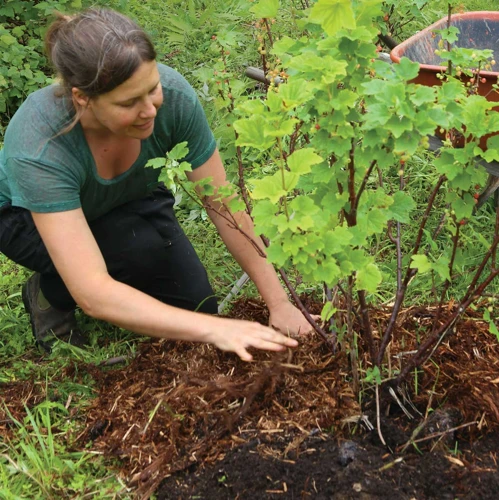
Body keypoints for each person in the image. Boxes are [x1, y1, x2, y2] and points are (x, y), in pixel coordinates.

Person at [0, 8, 313, 361]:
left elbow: (223, 204)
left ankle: (124, 252)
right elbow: (94, 293)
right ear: (82, 98)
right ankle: (49, 295)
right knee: (133, 254)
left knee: (198, 308)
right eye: (129, 102)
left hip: (124, 195)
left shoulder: (174, 97)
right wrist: (219, 329)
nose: (150, 109)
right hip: (24, 218)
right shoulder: (40, 145)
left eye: (152, 89)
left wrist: (279, 302)